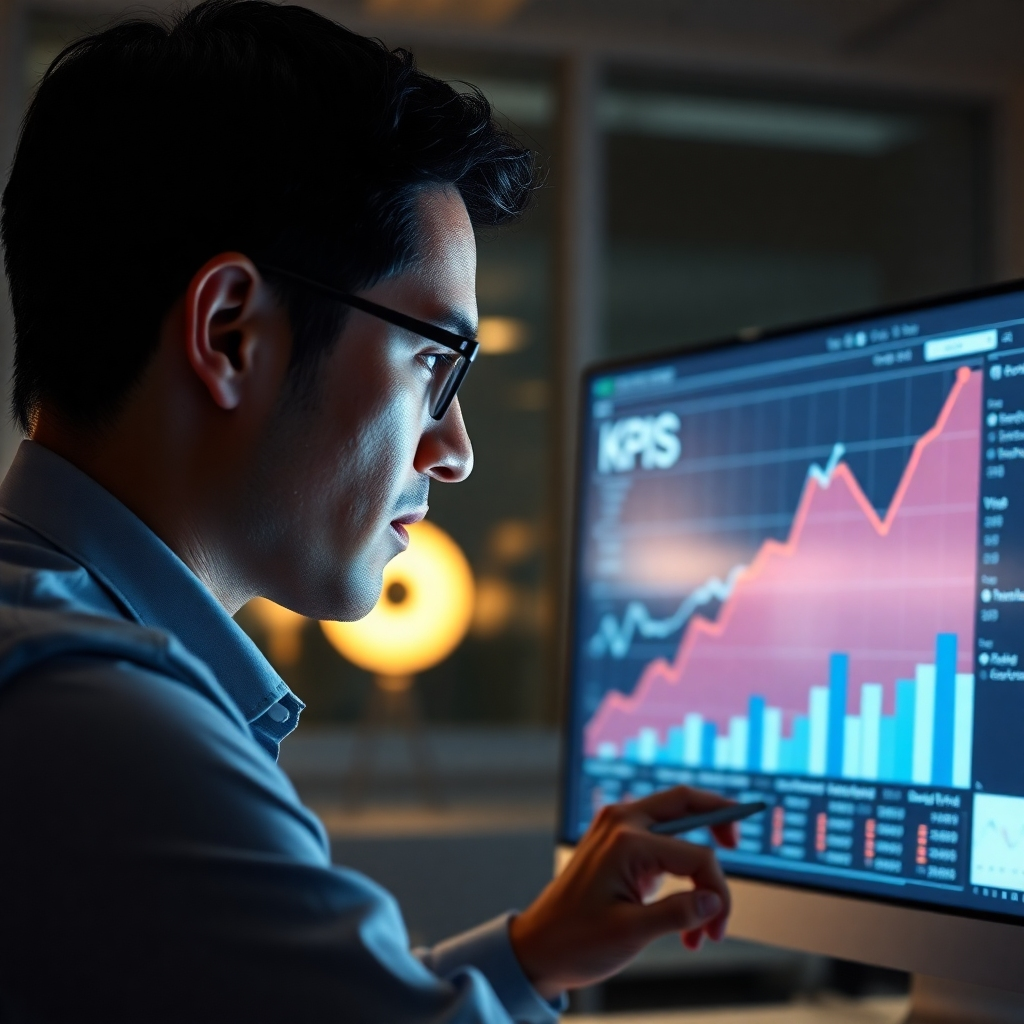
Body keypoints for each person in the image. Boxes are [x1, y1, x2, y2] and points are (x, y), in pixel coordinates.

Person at [0, 2, 738, 1020]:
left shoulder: (43, 639)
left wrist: (525, 959)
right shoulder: (104, 729)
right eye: (433, 361)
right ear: (230, 332)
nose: (458, 448)